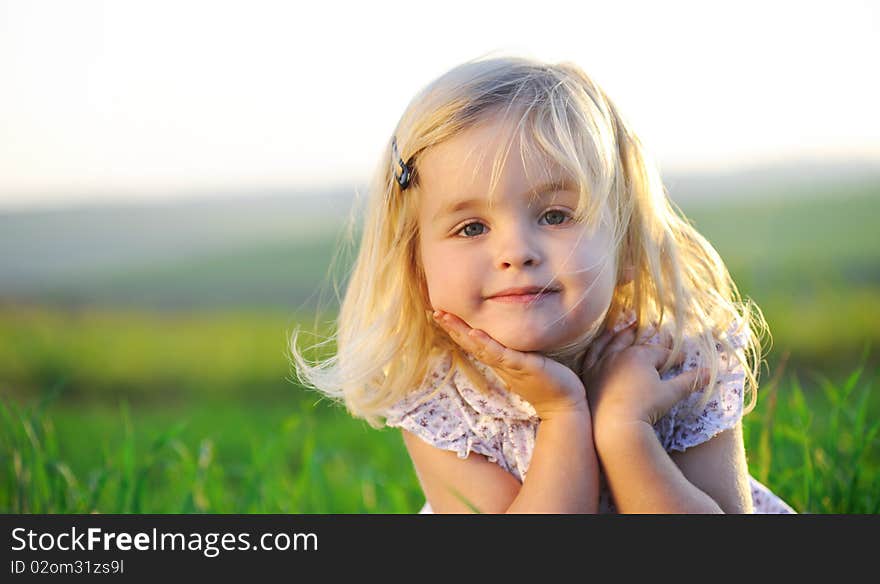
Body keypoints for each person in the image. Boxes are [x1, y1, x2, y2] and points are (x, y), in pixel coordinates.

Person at [290, 54, 795, 514]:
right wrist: (563, 414)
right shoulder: (443, 395)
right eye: (472, 228)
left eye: (555, 215)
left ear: (625, 245)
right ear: (416, 266)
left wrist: (625, 433)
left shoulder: (676, 359)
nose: (516, 252)